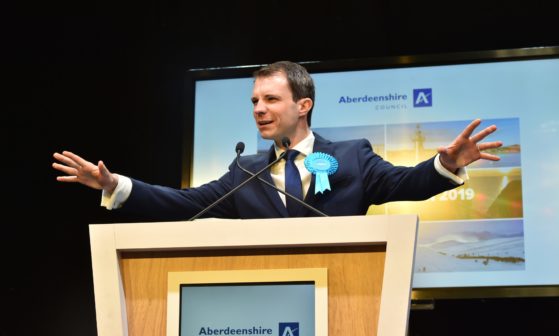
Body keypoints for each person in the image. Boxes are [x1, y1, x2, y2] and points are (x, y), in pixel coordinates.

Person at [52, 61, 502, 220]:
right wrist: (115, 187)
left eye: (271, 99)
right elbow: (185, 204)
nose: (259, 110)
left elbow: (406, 184)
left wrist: (444, 166)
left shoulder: (352, 156)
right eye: (253, 101)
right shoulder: (246, 172)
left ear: (303, 105)